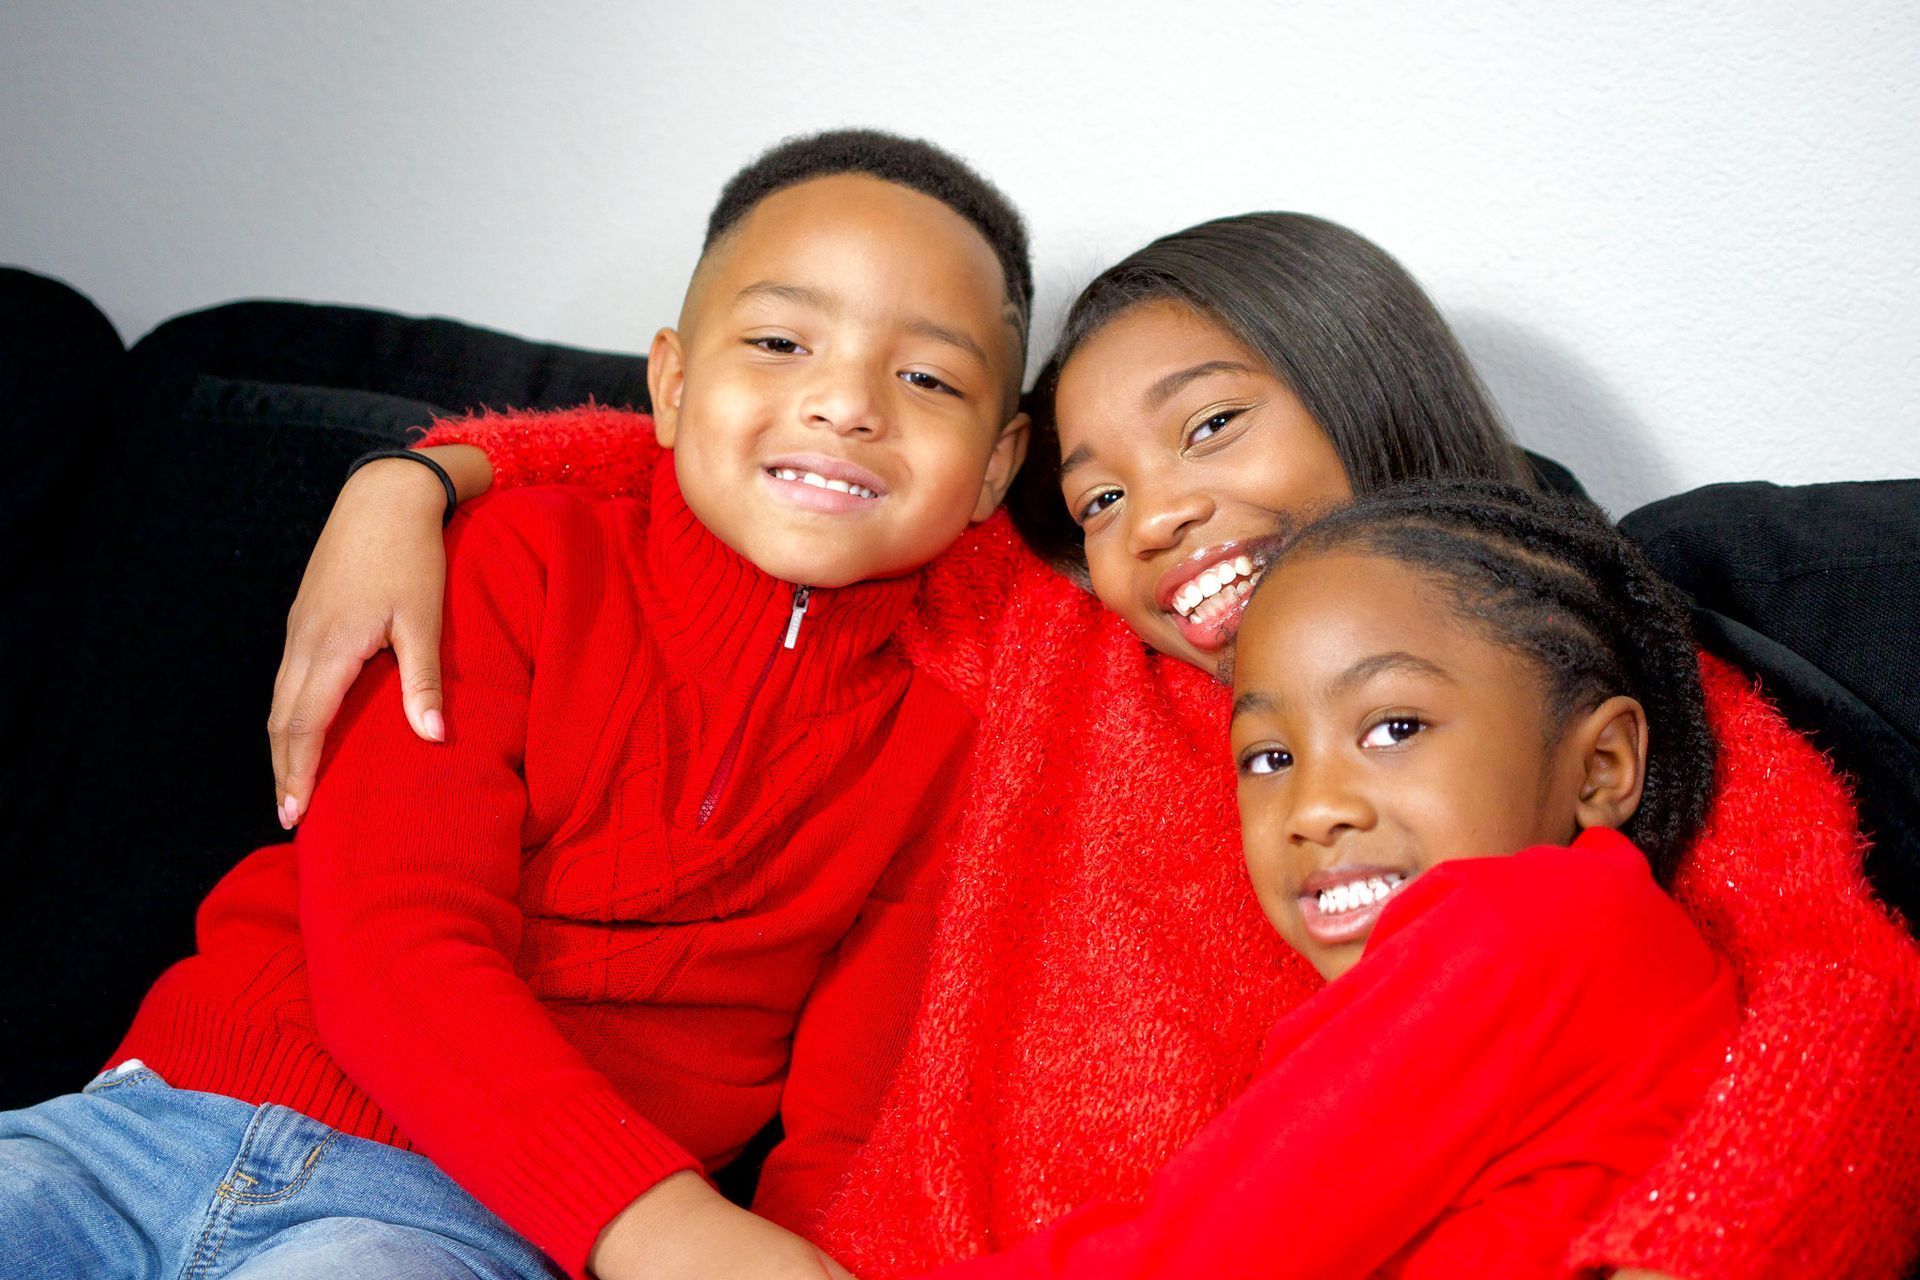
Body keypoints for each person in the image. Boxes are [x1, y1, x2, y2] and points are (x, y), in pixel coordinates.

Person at [268, 213, 1920, 1277]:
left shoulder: (1566, 673)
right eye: (1103, 492)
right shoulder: (1063, 631)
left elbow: (1846, 1005)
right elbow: (814, 470)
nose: (1162, 512)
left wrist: (1694, 1249)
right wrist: (430, 475)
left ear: (1366, 385)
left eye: (1213, 425)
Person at [0, 128, 1036, 1280]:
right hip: (155, 1122)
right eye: (782, 341)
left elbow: (852, 1123)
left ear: (997, 466)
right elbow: (394, 939)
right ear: (673, 385)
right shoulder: (515, 556)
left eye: (927, 377)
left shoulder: (953, 742)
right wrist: (663, 1229)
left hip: (465, 1227)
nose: (845, 402)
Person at [899, 478, 1740, 1278]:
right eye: (1269, 758)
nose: (1313, 809)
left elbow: (1198, 1257)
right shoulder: (1583, 951)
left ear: (1600, 766)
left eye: (1394, 728)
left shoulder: (1534, 927)